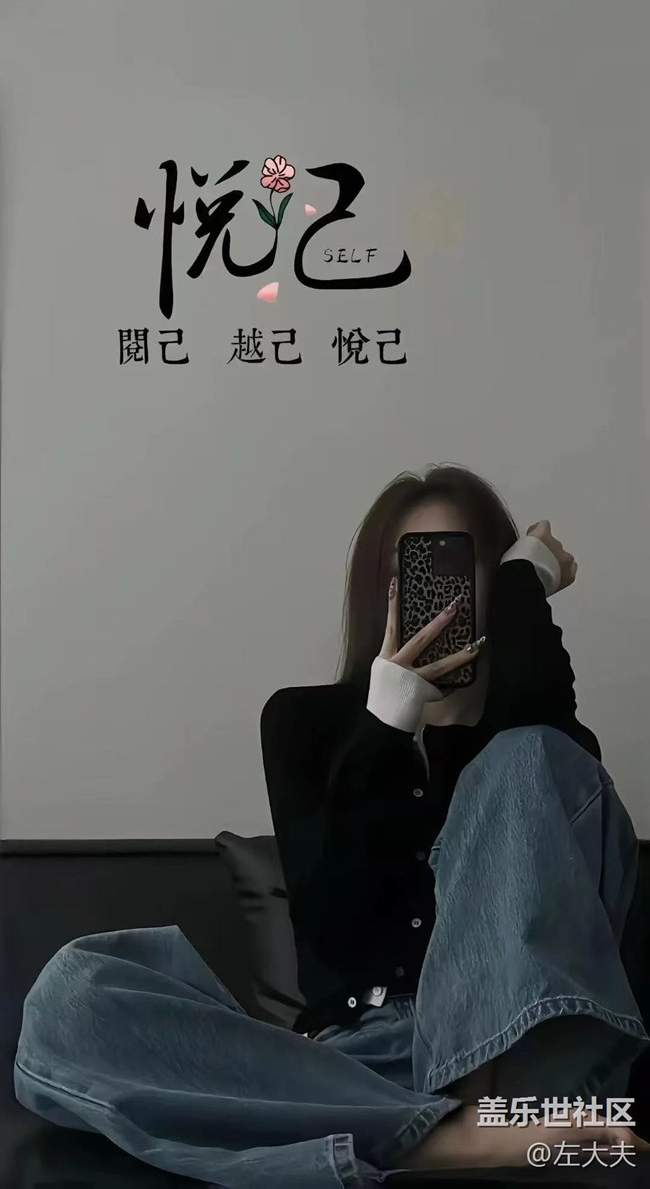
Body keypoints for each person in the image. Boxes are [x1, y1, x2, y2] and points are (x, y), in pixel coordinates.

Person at [14, 466, 649, 1188]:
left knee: (526, 755)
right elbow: (330, 916)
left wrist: (523, 583)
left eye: (461, 561)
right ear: (380, 589)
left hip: (523, 1057)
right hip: (354, 1062)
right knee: (70, 999)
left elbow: (548, 763)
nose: (437, 588)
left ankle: (435, 1125)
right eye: (413, 567)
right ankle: (440, 1136)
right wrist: (387, 720)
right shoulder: (305, 723)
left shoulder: (536, 740)